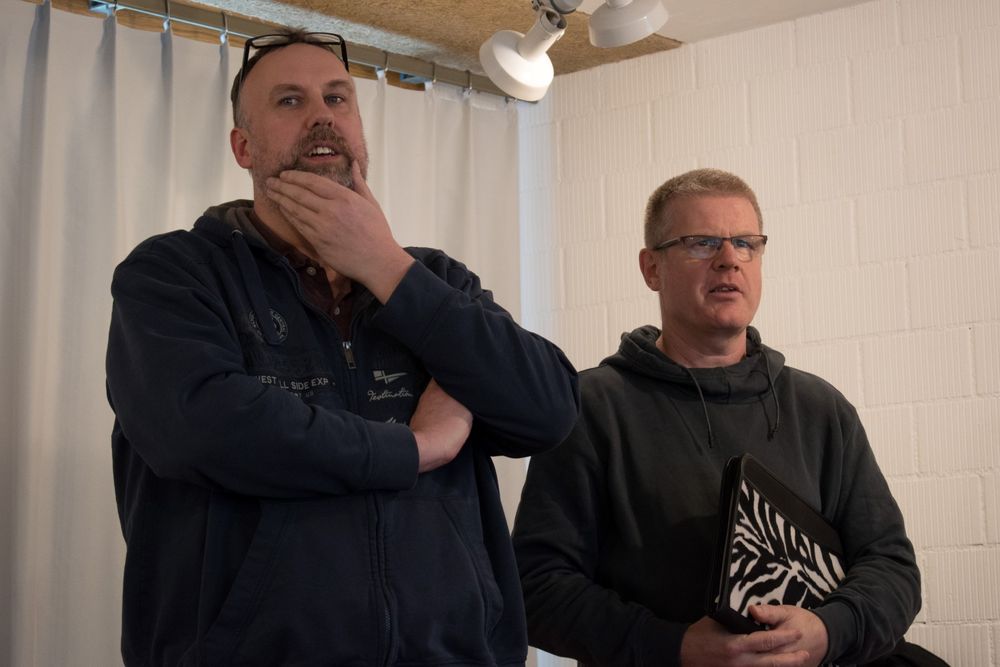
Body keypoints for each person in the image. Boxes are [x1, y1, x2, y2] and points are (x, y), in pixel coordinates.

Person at [106, 28, 579, 667]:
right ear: (243, 147)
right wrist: (416, 448)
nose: (322, 115)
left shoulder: (433, 280)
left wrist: (387, 268)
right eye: (290, 101)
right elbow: (202, 427)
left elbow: (549, 410)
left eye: (337, 98)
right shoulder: (175, 273)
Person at [511, 168, 921, 666]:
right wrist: (676, 647)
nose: (728, 259)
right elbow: (537, 586)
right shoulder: (591, 407)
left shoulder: (820, 409)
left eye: (745, 243)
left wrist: (829, 630)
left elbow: (892, 568)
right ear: (652, 268)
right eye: (701, 243)